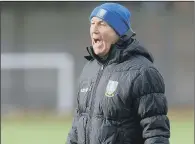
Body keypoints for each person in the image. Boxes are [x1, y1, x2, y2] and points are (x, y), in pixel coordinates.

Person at [66, 2, 170, 144]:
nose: (94, 30)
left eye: (102, 24)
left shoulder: (143, 72)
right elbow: (77, 126)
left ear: (119, 31)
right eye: (92, 23)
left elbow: (156, 134)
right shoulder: (89, 69)